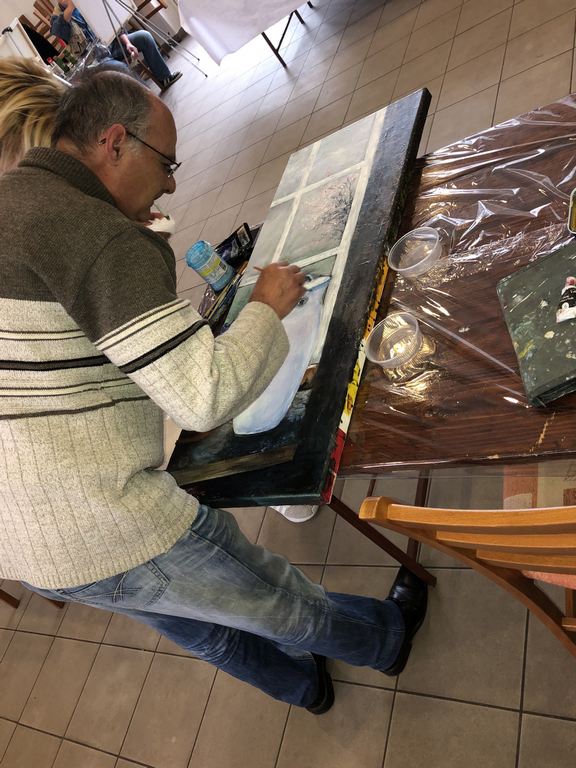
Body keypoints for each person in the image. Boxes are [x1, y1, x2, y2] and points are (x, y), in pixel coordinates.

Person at [0, 69, 428, 713]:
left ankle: (300, 685)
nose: (172, 184)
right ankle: (384, 640)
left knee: (196, 622)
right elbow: (203, 396)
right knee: (269, 596)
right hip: (104, 521)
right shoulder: (92, 231)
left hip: (26, 542)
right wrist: (266, 306)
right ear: (114, 143)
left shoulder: (13, 205)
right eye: (166, 163)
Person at [50, 0, 182, 90]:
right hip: (95, 60)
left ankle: (164, 77)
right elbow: (60, 31)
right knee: (120, 68)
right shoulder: (56, 17)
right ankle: (147, 101)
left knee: (144, 37)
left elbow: (113, 25)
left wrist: (128, 44)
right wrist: (71, 7)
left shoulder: (89, 5)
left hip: (113, 45)